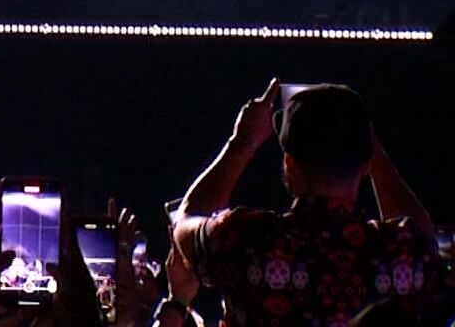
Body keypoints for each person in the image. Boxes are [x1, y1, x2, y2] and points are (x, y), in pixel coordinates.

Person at [172, 80, 443, 325]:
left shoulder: (248, 239)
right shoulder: (402, 253)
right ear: (365, 164)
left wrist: (243, 141)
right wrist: (377, 156)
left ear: (289, 164)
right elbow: (425, 237)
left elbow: (185, 223)